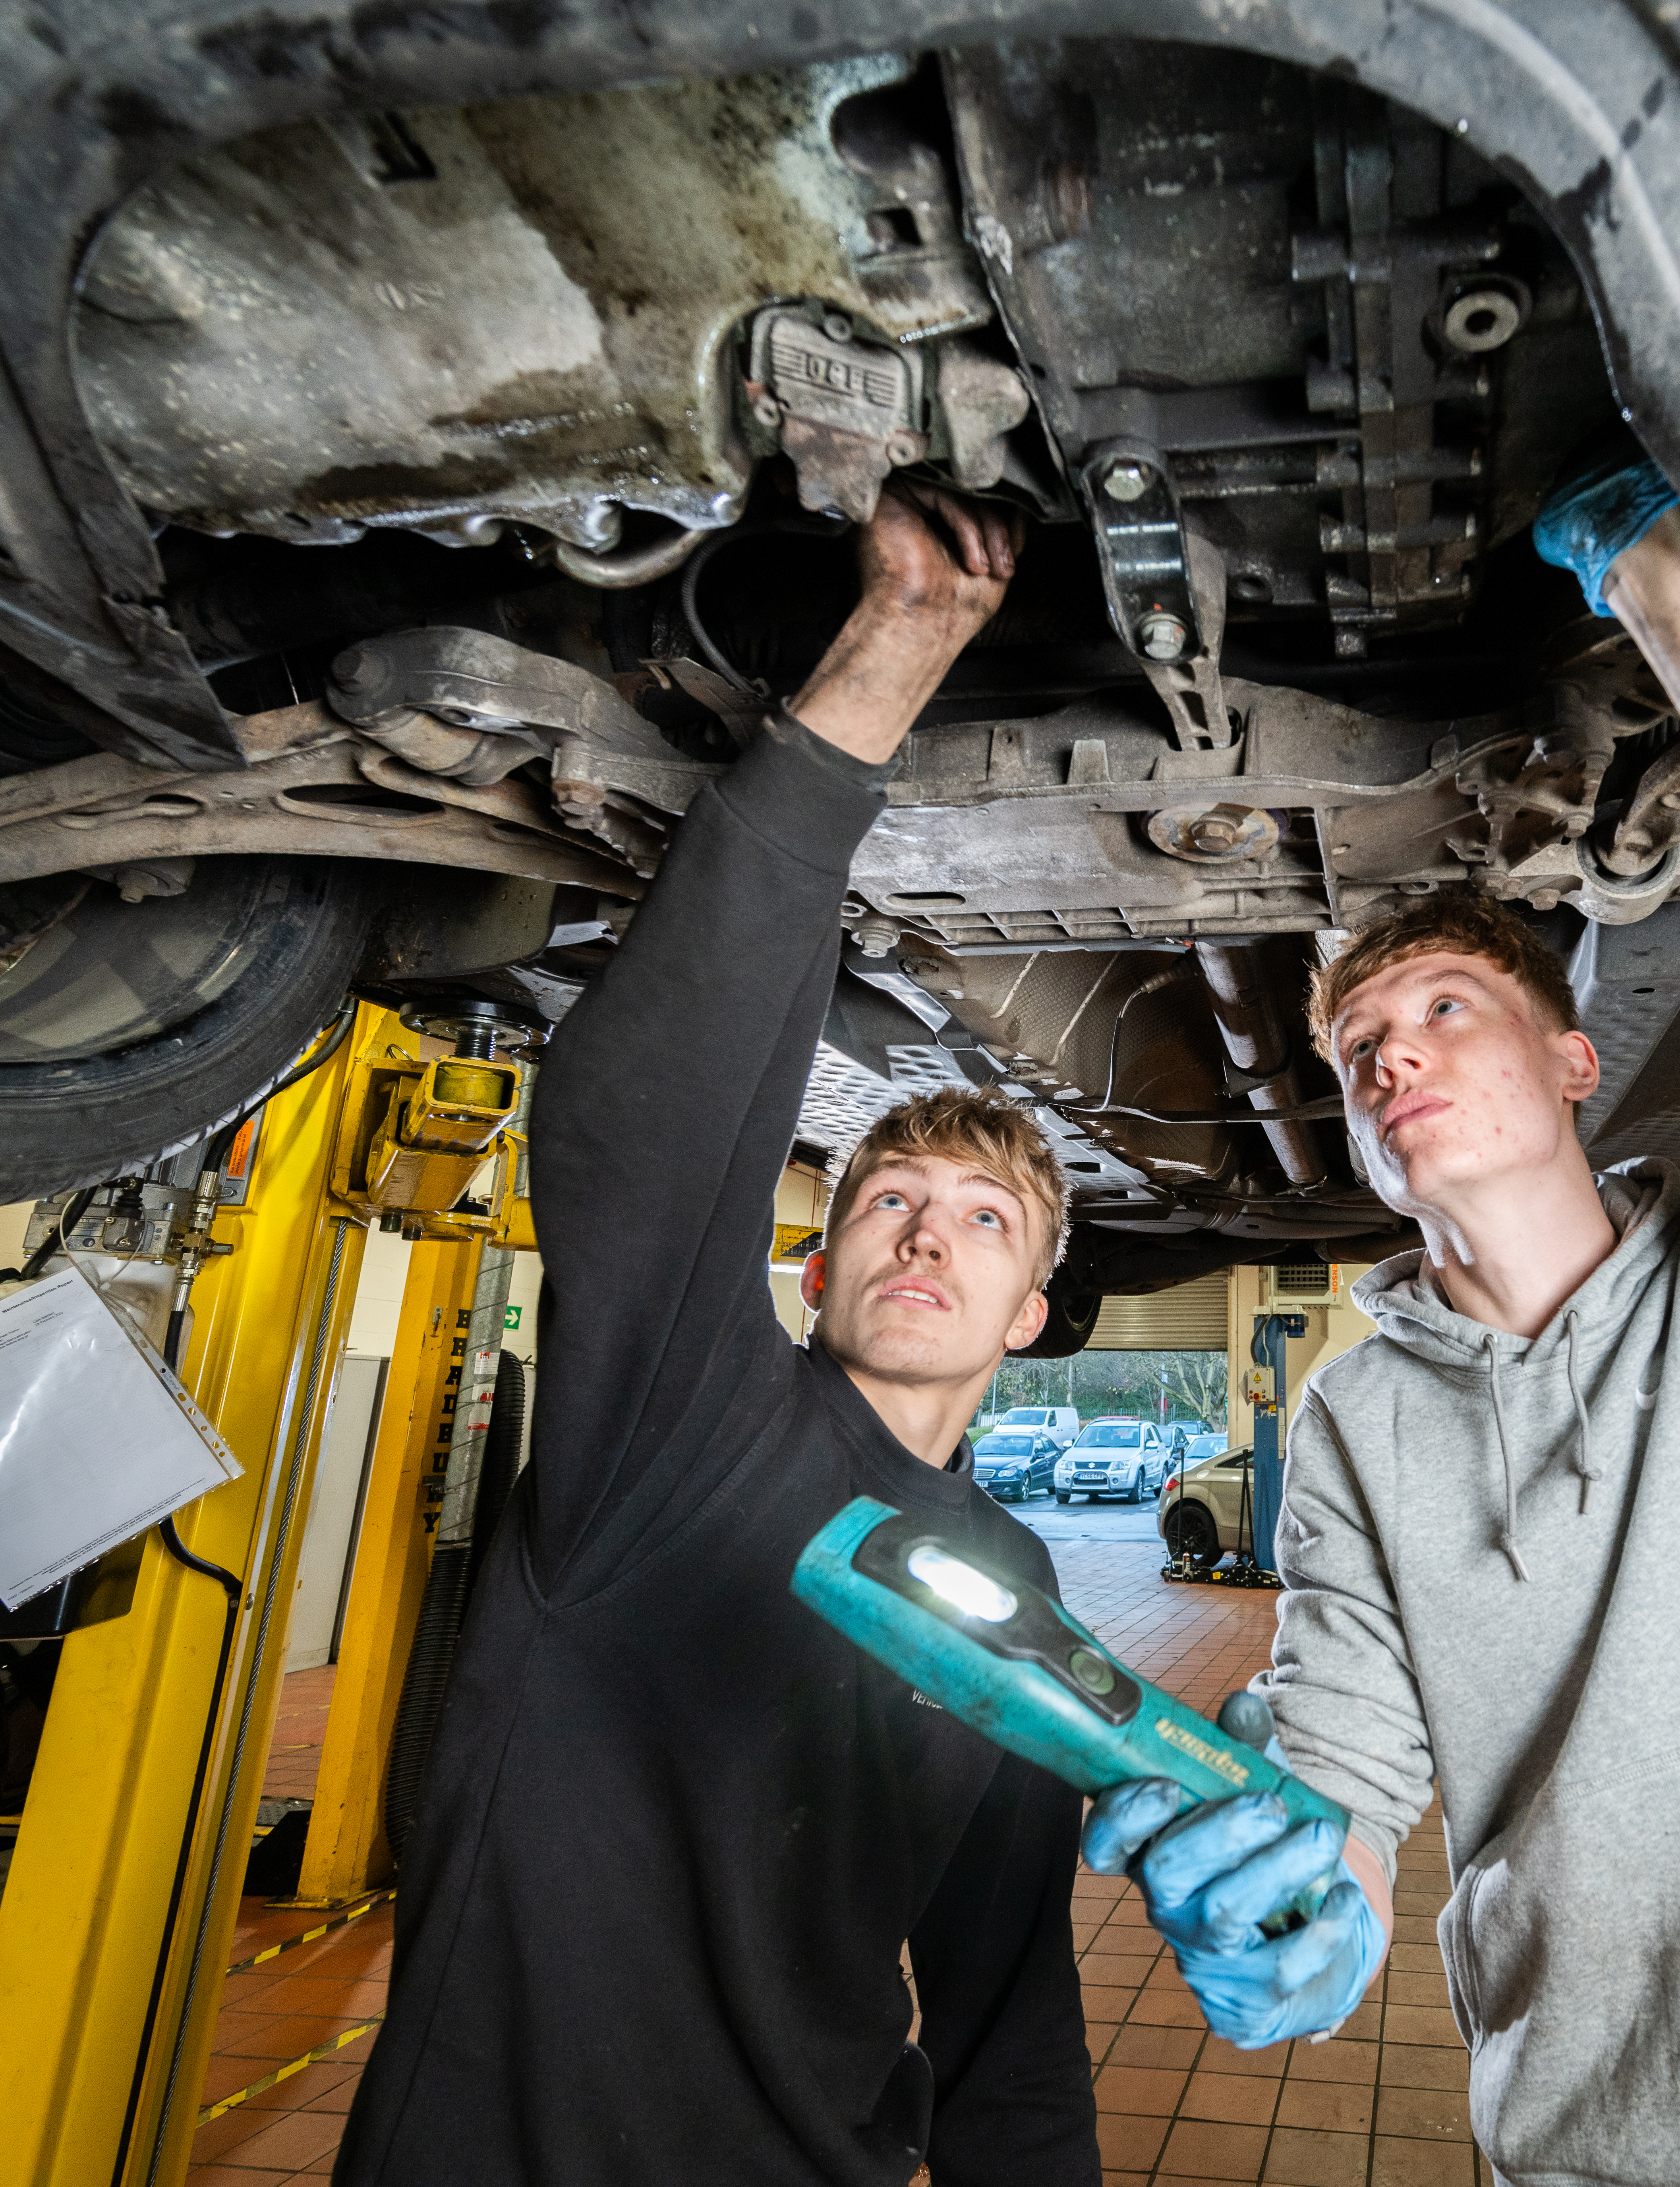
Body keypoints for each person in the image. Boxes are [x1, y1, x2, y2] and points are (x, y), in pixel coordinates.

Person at [1079, 460, 1680, 2184]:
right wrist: (1305, 1874)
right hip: (1572, 2154)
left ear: (1570, 1060)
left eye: (1445, 1008)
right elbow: (1346, 1739)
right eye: (1358, 1050)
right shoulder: (1353, 1417)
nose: (1392, 1059)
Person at [333, 484, 1102, 2187]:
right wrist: (886, 659)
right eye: (890, 1199)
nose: (926, 1230)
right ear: (816, 1266)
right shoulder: (679, 1426)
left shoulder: (1015, 1581)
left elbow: (1005, 1994)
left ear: (1030, 1313)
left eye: (988, 1221)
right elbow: (644, 1124)